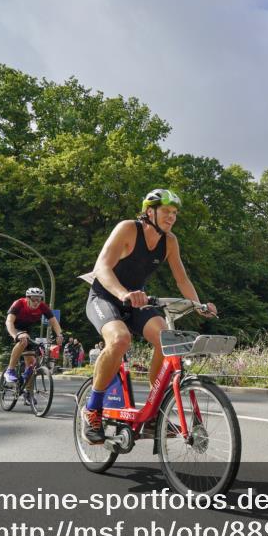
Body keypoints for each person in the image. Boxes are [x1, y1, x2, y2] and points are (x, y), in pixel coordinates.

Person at [81, 188, 216, 443]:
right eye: (166, 211)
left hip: (137, 300)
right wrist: (123, 294)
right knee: (120, 340)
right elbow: (102, 267)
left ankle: (154, 413)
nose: (172, 217)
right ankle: (93, 409)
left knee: (167, 339)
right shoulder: (128, 229)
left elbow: (182, 279)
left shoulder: (170, 242)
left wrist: (199, 305)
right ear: (149, 211)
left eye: (175, 213)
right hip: (105, 297)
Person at [4, 287, 63, 384]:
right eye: (33, 299)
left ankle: (28, 392)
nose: (36, 302)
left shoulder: (42, 306)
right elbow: (9, 321)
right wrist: (15, 335)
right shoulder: (19, 303)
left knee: (31, 363)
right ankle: (10, 370)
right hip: (14, 327)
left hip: (27, 329)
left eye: (39, 300)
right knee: (24, 340)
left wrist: (59, 335)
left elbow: (53, 321)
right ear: (27, 298)